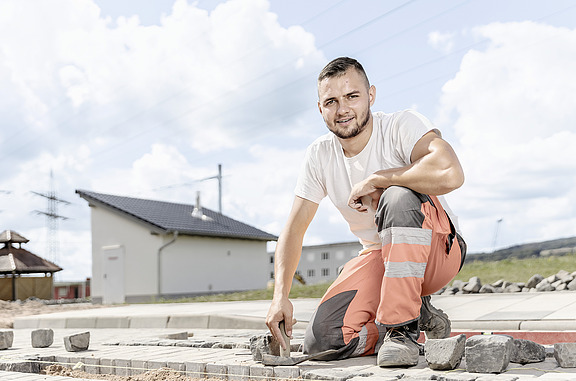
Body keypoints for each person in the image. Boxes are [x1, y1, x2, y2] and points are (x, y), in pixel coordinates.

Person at [265, 57, 467, 367]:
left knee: (396, 196)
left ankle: (402, 330)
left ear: (370, 95)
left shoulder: (401, 126)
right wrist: (281, 295)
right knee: (322, 342)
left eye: (352, 96)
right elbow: (294, 229)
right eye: (331, 101)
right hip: (380, 257)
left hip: (438, 249)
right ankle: (415, 313)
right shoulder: (319, 155)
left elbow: (451, 173)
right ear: (320, 109)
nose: (342, 109)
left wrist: (379, 179)